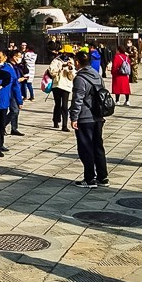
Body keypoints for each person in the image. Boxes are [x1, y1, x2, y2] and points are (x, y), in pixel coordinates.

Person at [70, 50, 109, 188]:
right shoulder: (96, 74)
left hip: (85, 117)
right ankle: (103, 177)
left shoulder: (80, 78)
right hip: (98, 116)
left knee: (86, 148)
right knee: (98, 146)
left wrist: (74, 117)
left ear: (77, 62)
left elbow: (77, 100)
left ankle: (90, 178)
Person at [48, 49, 75, 130]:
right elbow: (52, 72)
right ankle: (56, 121)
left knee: (65, 106)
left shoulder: (71, 61)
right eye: (67, 53)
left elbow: (72, 76)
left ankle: (64, 125)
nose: (68, 56)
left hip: (66, 86)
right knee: (57, 104)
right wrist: (61, 67)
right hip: (57, 85)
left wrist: (70, 69)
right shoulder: (55, 61)